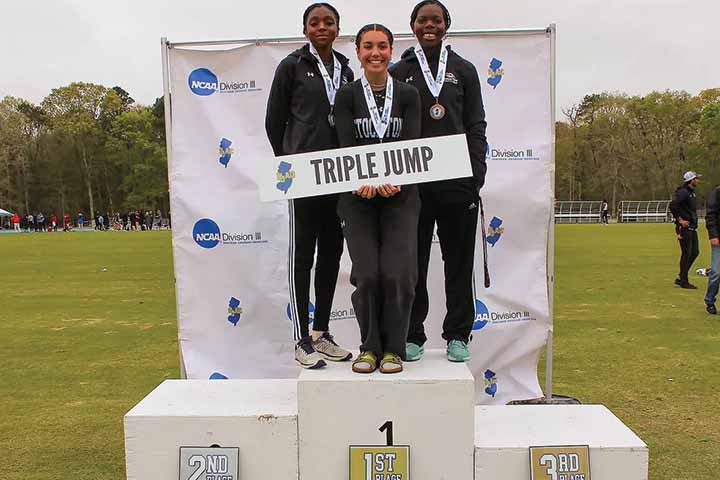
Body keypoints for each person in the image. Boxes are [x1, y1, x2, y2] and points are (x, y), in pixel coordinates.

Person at [389, 0, 487, 362]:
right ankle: (413, 333)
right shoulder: (400, 71)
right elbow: (390, 128)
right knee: (412, 263)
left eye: (436, 20)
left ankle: (458, 334)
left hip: (457, 183)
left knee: (458, 262)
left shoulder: (464, 70)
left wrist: (476, 173)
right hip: (413, 185)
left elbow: (475, 123)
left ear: (446, 24)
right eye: (422, 20)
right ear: (412, 25)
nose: (429, 25)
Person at [265, 2, 354, 369]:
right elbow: (274, 121)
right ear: (305, 30)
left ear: (337, 29)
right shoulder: (291, 66)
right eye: (314, 22)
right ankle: (301, 339)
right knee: (303, 256)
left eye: (328, 22)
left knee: (332, 254)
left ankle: (321, 332)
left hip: (340, 176)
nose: (322, 27)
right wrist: (291, 161)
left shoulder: (347, 70)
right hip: (304, 175)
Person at [334, 23, 422, 374]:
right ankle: (369, 348)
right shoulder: (346, 95)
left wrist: (397, 180)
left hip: (401, 197)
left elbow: (414, 145)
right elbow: (344, 146)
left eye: (382, 46)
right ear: (357, 51)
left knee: (398, 274)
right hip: (357, 197)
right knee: (368, 274)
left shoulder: (408, 95)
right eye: (368, 46)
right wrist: (360, 179)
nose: (375, 52)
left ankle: (394, 350)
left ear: (391, 50)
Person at [670, 171, 701, 289]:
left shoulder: (691, 193)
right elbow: (673, 205)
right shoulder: (683, 192)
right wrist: (680, 220)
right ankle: (684, 280)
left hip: (692, 227)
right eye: (696, 178)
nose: (698, 180)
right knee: (687, 253)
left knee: (694, 252)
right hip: (684, 228)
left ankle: (682, 276)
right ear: (691, 180)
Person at [704, 185, 720, 314]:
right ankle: (710, 301)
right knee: (716, 272)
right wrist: (713, 235)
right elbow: (710, 216)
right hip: (718, 239)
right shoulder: (717, 193)